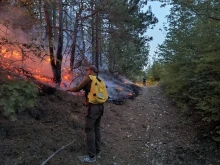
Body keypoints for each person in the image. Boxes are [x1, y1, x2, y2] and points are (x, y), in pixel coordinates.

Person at [67, 65, 103, 163]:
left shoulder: (88, 78)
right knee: (97, 128)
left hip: (92, 108)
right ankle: (98, 150)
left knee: (89, 130)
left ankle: (91, 156)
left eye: (87, 70)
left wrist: (69, 89)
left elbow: (78, 88)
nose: (86, 72)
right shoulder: (99, 80)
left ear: (91, 71)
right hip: (100, 107)